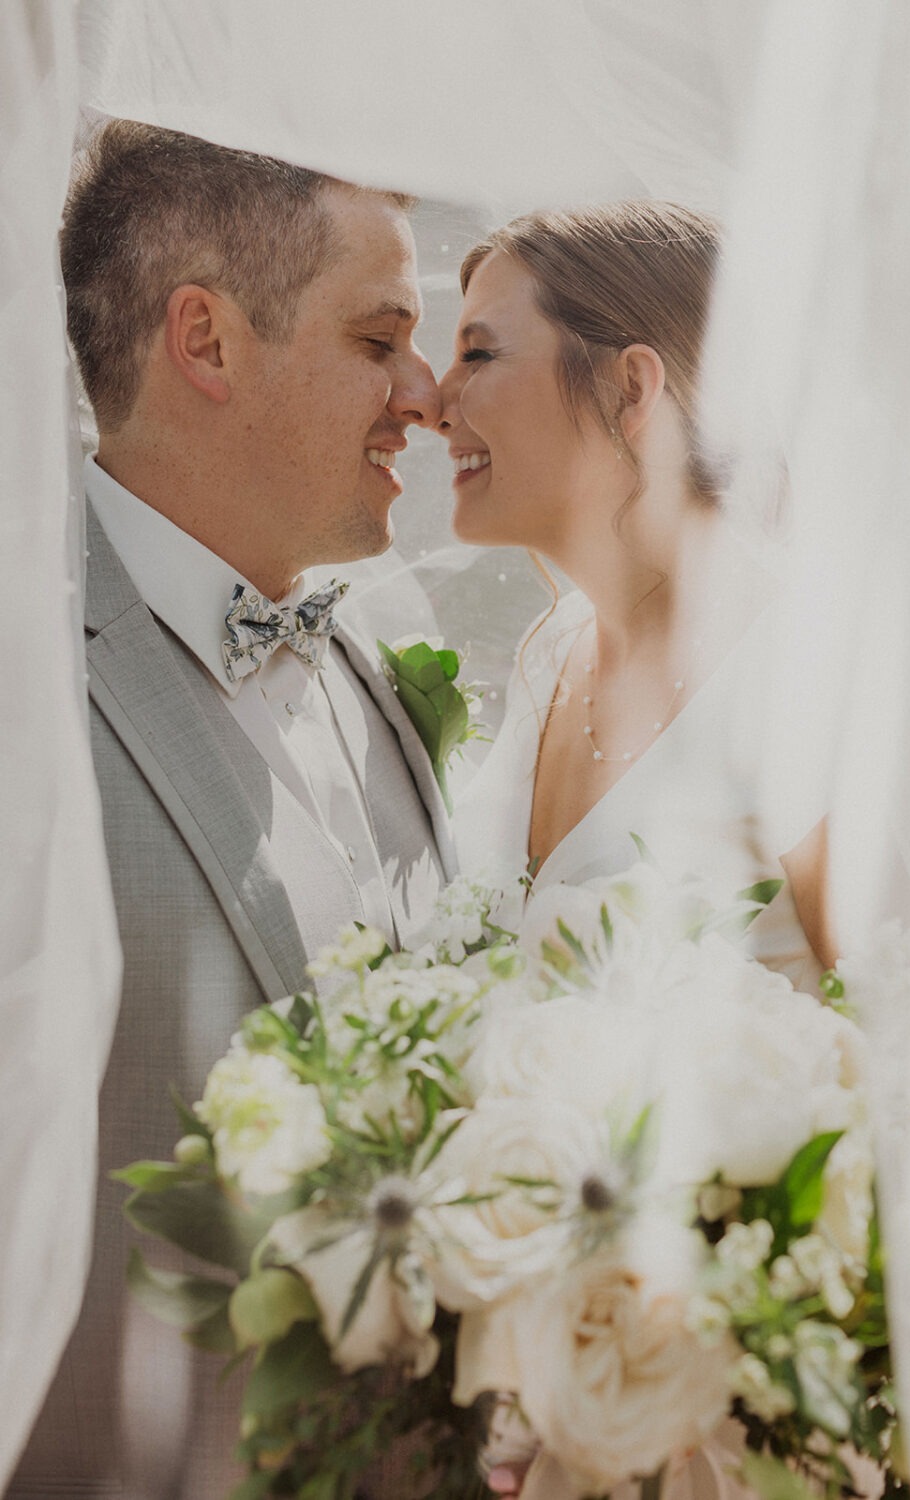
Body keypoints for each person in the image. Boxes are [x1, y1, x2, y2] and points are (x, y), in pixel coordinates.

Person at [8, 121, 453, 1500]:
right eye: (380, 341)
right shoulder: (23, 678)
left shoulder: (380, 667)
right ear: (205, 341)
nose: (426, 394)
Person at [436, 202, 839, 1499]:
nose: (432, 397)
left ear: (631, 385)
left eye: (480, 354)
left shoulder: (800, 690)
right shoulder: (549, 655)